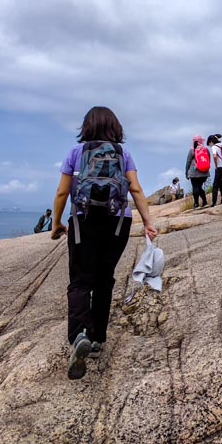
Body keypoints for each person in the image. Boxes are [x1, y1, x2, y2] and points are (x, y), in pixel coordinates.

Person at [51, 107, 158, 380]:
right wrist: (148, 223)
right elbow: (135, 189)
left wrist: (57, 223)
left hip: (83, 220)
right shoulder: (124, 154)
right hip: (117, 222)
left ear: (86, 127)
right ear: (115, 127)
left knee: (79, 281)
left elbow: (63, 191)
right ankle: (97, 339)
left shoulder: (76, 153)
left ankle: (79, 336)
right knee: (104, 279)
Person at [186, 135, 210, 208]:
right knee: (199, 187)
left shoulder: (192, 150)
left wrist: (186, 172)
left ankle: (196, 204)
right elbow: (208, 160)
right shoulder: (206, 149)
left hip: (194, 172)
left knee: (195, 187)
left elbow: (188, 162)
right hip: (204, 172)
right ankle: (205, 202)